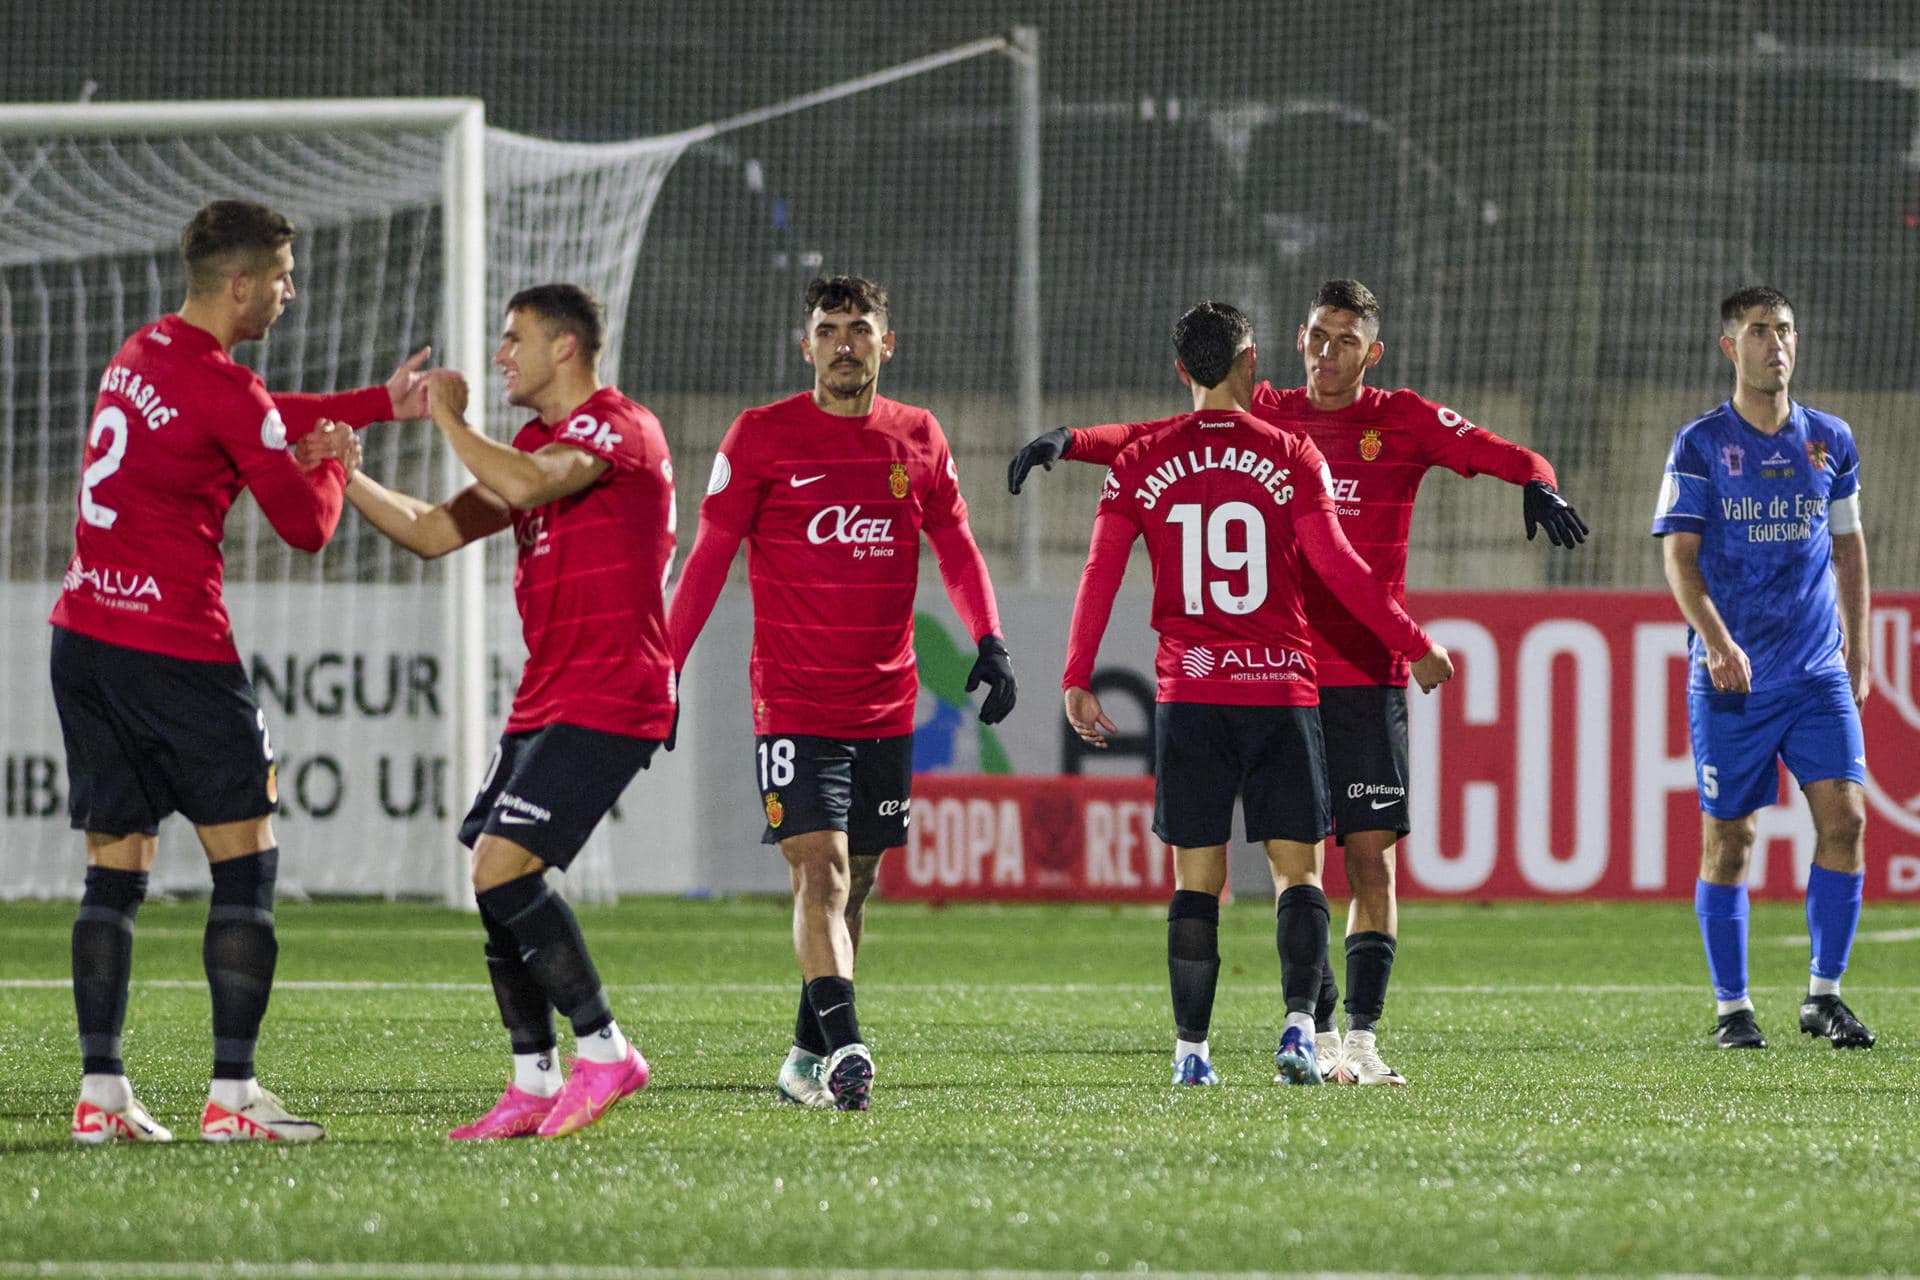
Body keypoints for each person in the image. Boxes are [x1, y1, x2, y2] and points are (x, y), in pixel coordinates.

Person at [1013, 278, 1586, 1085]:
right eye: (1317, 337)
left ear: (1372, 353)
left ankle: (1360, 1036)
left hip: (1367, 672)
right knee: (1303, 860)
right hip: (1290, 674)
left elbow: (1506, 453)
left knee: (1370, 858)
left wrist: (1539, 480)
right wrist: (1075, 440)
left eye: (1345, 341)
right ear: (1291, 342)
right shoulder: (1273, 419)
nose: (1326, 353)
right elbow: (1163, 433)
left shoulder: (1405, 419)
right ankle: (1311, 1031)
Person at [54, 199, 439, 1143]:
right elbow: (305, 526)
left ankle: (100, 1094)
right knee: (248, 864)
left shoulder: (140, 352)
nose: (289, 291)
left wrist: (372, 405)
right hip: (176, 654)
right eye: (281, 275)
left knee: (115, 870)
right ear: (241, 284)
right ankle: (233, 1097)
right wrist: (340, 463)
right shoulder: (228, 391)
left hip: (83, 636)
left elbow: (260, 416)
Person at [1061, 301, 1452, 1087]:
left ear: (1181, 371)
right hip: (1279, 689)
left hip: (1190, 696)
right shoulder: (1292, 452)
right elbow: (1341, 569)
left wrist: (1077, 675)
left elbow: (1099, 574)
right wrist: (1415, 643)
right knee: (1298, 875)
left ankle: (1192, 1055)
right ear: (1250, 362)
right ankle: (1301, 1031)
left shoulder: (1139, 460)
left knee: (1194, 883)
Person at [668, 275, 1016, 1112]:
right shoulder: (761, 437)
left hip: (887, 701)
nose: (845, 343)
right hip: (791, 702)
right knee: (818, 874)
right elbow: (709, 558)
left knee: (855, 883)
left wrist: (991, 639)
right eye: (829, 329)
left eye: (860, 329)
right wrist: (666, 665)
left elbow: (959, 550)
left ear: (886, 345)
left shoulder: (918, 438)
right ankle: (850, 1046)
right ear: (807, 346)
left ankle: (802, 1058)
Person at [344, 283, 678, 1135]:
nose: (499, 358)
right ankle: (533, 1077)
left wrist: (448, 419)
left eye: (511, 339)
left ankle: (605, 1053)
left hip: (613, 694)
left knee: (501, 868)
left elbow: (530, 485)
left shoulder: (617, 427)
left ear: (563, 347)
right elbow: (429, 529)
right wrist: (344, 476)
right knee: (490, 876)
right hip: (548, 695)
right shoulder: (531, 444)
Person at [1652, 285, 1874, 1051]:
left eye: (1783, 330)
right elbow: (1679, 558)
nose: (1774, 343)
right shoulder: (1701, 444)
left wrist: (1860, 643)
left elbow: (1847, 545)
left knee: (1846, 819)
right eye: (1757, 331)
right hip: (1732, 678)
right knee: (1731, 840)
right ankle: (1732, 1009)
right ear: (1730, 347)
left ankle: (1824, 996)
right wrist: (1715, 640)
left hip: (1815, 671)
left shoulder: (1830, 441)